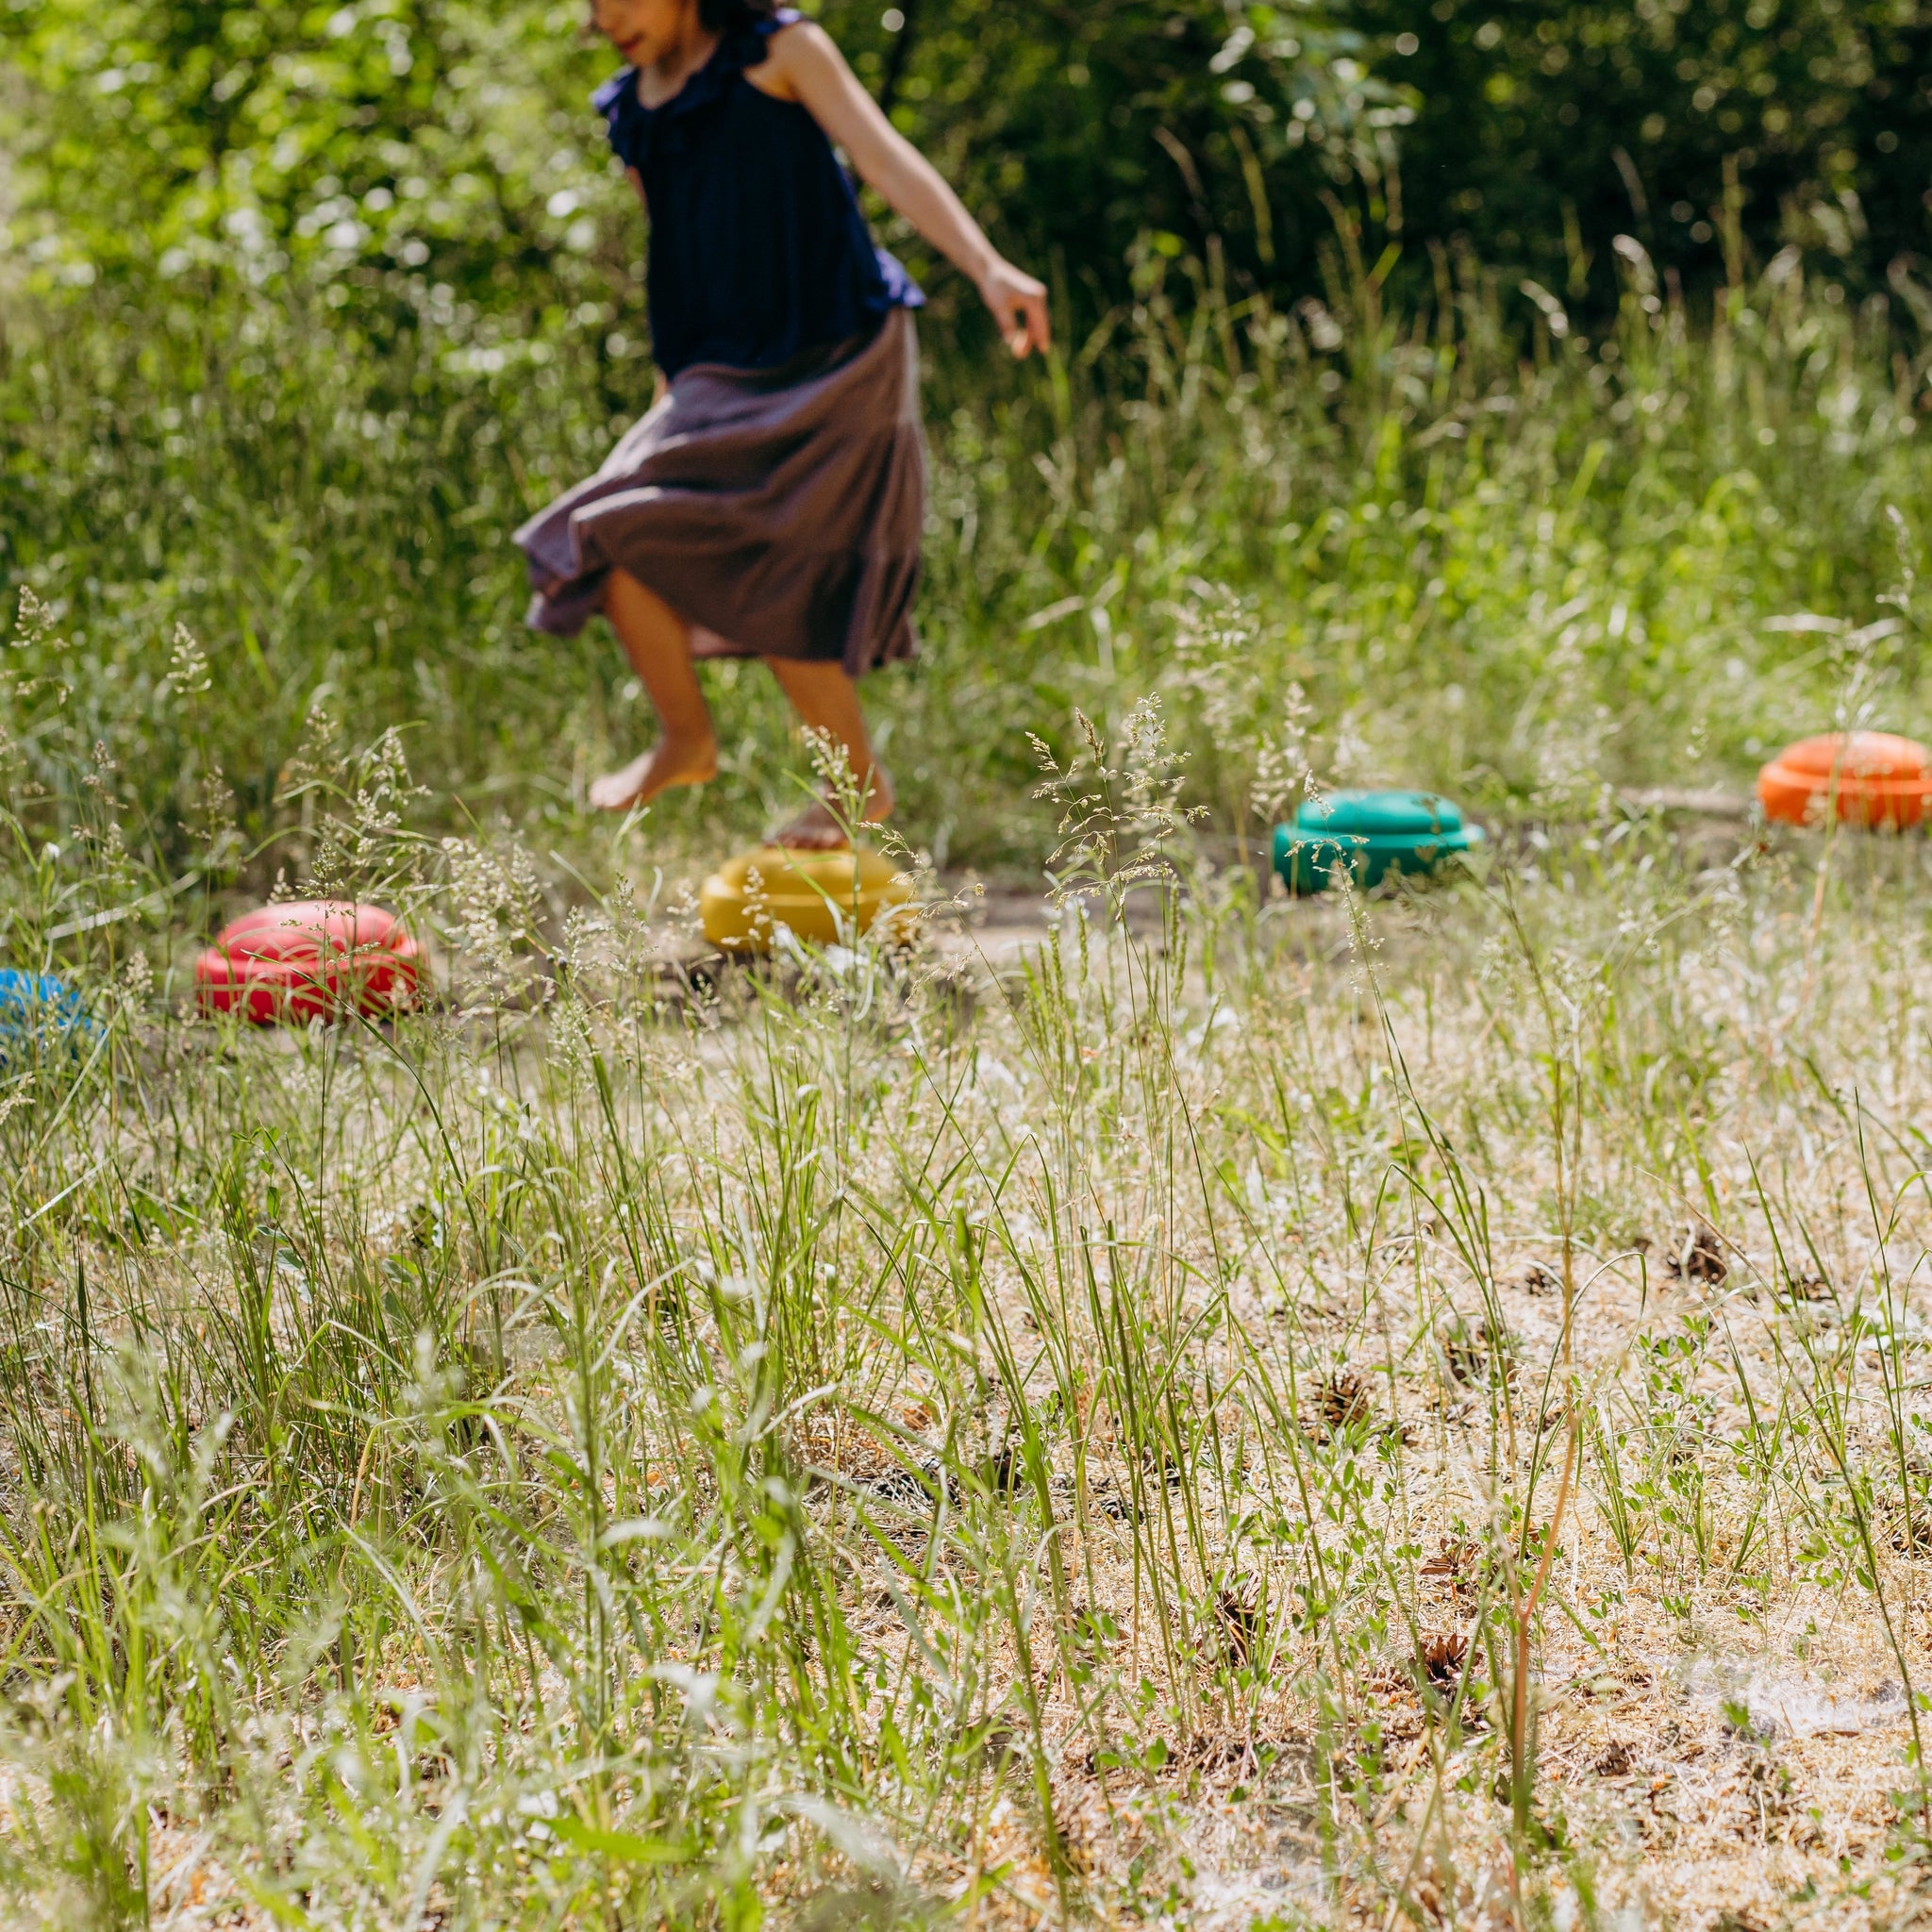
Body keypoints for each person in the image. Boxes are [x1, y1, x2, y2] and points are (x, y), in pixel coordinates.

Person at [515, 0, 1049, 848]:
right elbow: (676, 253)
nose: (604, 15)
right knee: (601, 531)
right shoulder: (633, 106)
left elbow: (884, 159)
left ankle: (858, 786)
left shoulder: (783, 49)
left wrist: (987, 268)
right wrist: (671, 393)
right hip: (720, 367)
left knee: (789, 559)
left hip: (838, 349)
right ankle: (685, 740)